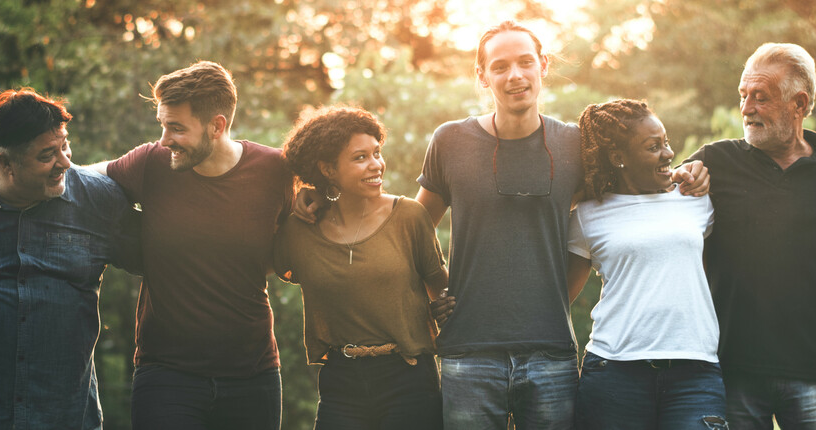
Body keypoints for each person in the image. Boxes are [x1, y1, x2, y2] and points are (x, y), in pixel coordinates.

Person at [292, 20, 709, 429]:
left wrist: (688, 173)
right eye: (500, 66)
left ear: (542, 66)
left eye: (526, 62)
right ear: (481, 74)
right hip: (468, 354)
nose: (515, 76)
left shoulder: (574, 146)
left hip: (552, 356)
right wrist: (322, 194)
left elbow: (628, 193)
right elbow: (407, 230)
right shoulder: (450, 141)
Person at [685, 43, 816, 429]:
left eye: (760, 97)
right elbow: (656, 202)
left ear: (799, 104)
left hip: (814, 369)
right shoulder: (716, 162)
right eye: (743, 96)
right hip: (731, 368)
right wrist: (684, 178)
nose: (746, 108)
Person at [91, 61, 292, 429]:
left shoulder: (274, 170)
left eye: (177, 128)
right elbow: (81, 181)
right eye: (163, 125)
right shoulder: (152, 163)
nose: (165, 139)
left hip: (253, 374)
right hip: (167, 375)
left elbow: (292, 239)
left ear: (217, 126)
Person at [274, 106, 448, 429]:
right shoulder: (299, 231)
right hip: (341, 381)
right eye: (360, 158)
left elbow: (441, 288)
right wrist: (301, 194)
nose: (376, 165)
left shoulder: (409, 217)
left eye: (377, 153)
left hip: (408, 376)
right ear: (327, 169)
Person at [567, 99, 727, 430]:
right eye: (653, 147)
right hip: (614, 372)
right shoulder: (587, 214)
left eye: (666, 142)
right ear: (618, 158)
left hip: (695, 373)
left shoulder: (696, 199)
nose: (668, 153)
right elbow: (560, 298)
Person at [0, 89, 140, 429]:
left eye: (65, 145)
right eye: (47, 155)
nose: (65, 162)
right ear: (4, 162)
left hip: (67, 417)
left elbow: (169, 258)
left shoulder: (97, 201)